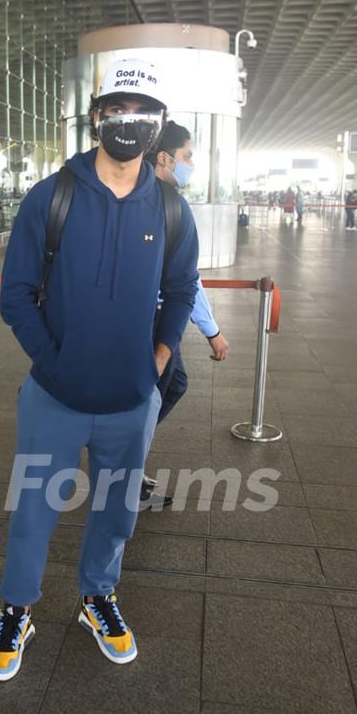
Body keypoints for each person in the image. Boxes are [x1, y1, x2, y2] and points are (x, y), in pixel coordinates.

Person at [0, 59, 199, 681]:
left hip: (131, 400)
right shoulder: (51, 196)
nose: (128, 124)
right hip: (55, 396)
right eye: (116, 111)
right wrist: (50, 358)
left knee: (117, 511)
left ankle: (97, 597)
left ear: (157, 127)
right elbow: (16, 294)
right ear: (97, 116)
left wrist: (158, 359)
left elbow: (182, 289)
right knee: (34, 510)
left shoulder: (170, 208)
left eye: (142, 114)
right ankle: (17, 608)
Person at [141, 122, 230, 508]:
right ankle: (122, 469)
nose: (191, 164)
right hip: (157, 320)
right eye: (187, 156)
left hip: (152, 316)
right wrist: (211, 330)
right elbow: (186, 280)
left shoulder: (142, 198)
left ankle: (123, 456)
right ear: (164, 158)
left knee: (170, 386)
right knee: (153, 396)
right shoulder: (169, 204)